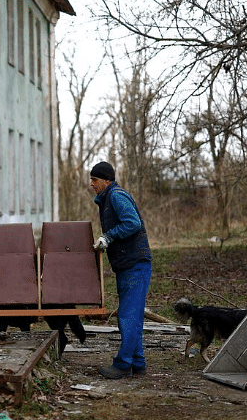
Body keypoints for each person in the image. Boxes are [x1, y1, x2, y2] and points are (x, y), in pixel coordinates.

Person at [90, 161, 152, 378]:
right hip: (128, 265)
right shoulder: (108, 199)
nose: (91, 184)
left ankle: (123, 364)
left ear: (107, 180)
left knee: (127, 315)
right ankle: (138, 362)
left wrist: (109, 236)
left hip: (135, 264)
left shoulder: (116, 196)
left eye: (95, 180)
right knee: (132, 316)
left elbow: (132, 223)